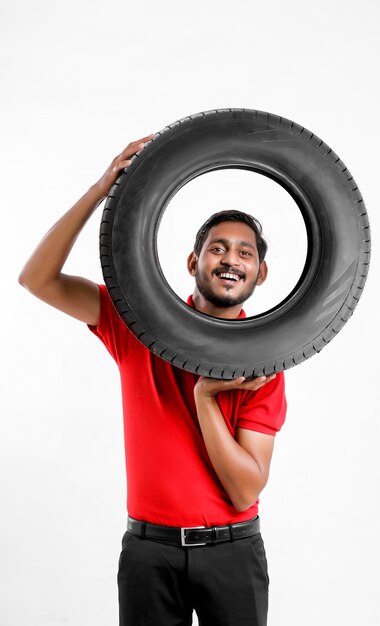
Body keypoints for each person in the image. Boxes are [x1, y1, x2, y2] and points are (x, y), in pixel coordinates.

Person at [18, 135, 287, 626]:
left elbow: (245, 490)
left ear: (260, 273)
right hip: (148, 553)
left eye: (244, 254)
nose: (231, 260)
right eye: (218, 249)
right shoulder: (134, 322)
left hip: (232, 554)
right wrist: (101, 189)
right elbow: (37, 279)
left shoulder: (263, 363)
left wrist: (206, 400)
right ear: (193, 262)